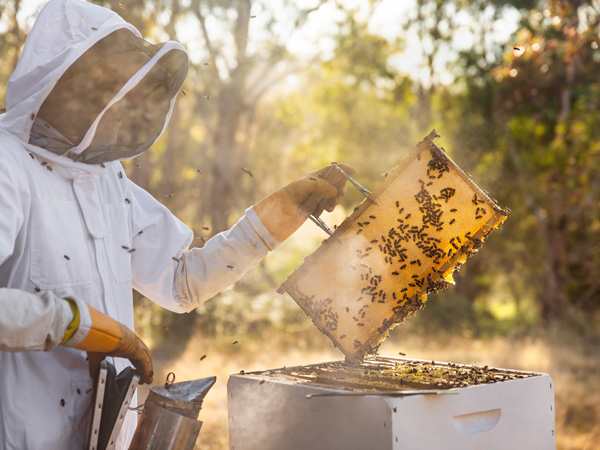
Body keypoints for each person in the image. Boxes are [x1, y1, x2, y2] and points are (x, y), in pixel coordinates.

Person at [0, 0, 354, 448]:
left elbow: (182, 282)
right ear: (65, 86)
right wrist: (74, 324)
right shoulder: (6, 164)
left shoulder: (107, 180)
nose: (122, 113)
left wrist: (282, 212)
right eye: (111, 94)